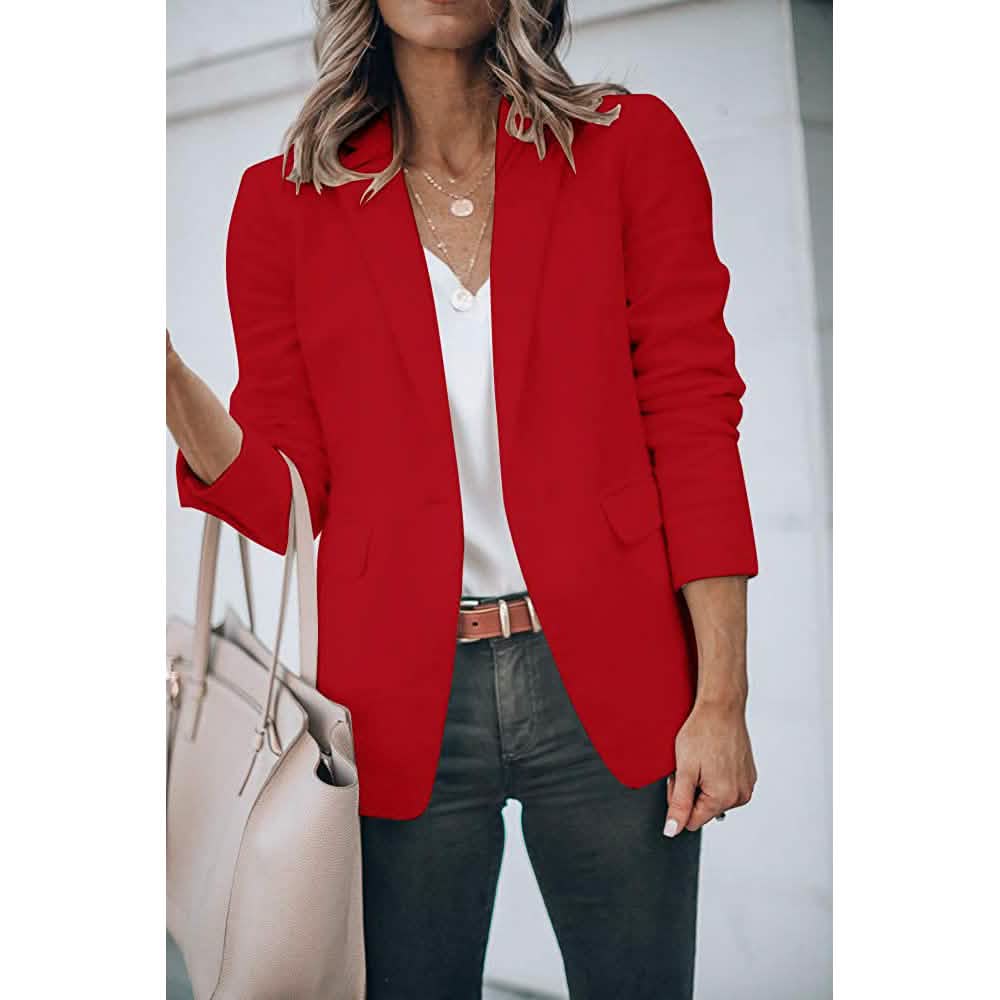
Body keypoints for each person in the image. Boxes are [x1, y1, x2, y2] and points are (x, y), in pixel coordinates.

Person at [166, 1, 759, 997]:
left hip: (613, 676)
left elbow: (693, 425)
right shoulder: (282, 206)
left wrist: (721, 697)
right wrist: (173, 394)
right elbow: (289, 502)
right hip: (397, 698)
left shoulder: (626, 150)